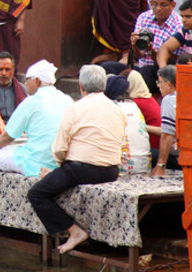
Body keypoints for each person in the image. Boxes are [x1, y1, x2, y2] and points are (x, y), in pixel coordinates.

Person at [27, 65, 126, 254]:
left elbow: (59, 149)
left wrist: (58, 168)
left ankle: (75, 231)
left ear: (81, 86)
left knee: (36, 194)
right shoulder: (117, 110)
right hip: (111, 171)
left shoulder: (75, 108)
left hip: (81, 170)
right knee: (64, 173)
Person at [0, 59, 73, 176]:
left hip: (35, 164)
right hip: (61, 163)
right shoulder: (67, 99)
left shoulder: (32, 101)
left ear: (37, 81)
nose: (25, 84)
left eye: (27, 80)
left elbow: (8, 137)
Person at [148, 66, 179, 176]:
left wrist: (161, 165)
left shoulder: (169, 100)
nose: (158, 85)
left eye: (160, 82)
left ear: (169, 84)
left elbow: (167, 135)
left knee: (148, 153)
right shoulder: (185, 95)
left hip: (179, 156)